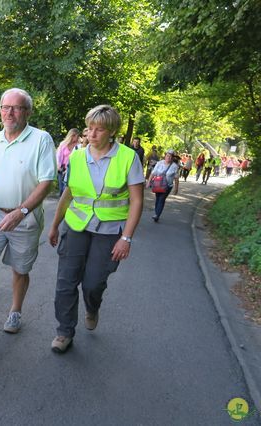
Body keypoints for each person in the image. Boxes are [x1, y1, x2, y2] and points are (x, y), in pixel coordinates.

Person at [0, 88, 57, 346]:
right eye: (5, 107)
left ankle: (15, 311)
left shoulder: (41, 139)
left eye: (16, 108)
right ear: (0, 110)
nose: (9, 113)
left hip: (24, 219)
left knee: (20, 269)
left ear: (27, 112)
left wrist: (21, 211)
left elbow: (47, 181)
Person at [47, 105, 144, 354]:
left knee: (92, 283)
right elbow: (68, 193)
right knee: (66, 282)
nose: (92, 134)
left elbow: (136, 200)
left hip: (109, 230)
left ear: (111, 132)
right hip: (76, 225)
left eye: (99, 129)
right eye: (90, 128)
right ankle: (64, 331)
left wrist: (126, 238)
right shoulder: (78, 156)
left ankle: (92, 306)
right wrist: (56, 224)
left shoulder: (128, 157)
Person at [146, 148, 180, 222]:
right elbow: (153, 173)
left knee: (162, 199)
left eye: (170, 156)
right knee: (158, 199)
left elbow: (176, 178)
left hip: (167, 186)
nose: (168, 157)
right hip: (157, 184)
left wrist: (176, 188)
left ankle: (157, 215)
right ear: (165, 156)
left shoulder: (175, 166)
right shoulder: (159, 163)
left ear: (173, 158)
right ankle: (156, 213)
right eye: (167, 156)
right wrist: (148, 182)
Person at [56, 128, 80, 195]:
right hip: (62, 169)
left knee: (67, 189)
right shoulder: (63, 144)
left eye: (77, 136)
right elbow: (58, 156)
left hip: (72, 169)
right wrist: (59, 167)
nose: (76, 137)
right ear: (71, 135)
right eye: (75, 135)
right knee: (61, 189)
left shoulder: (78, 146)